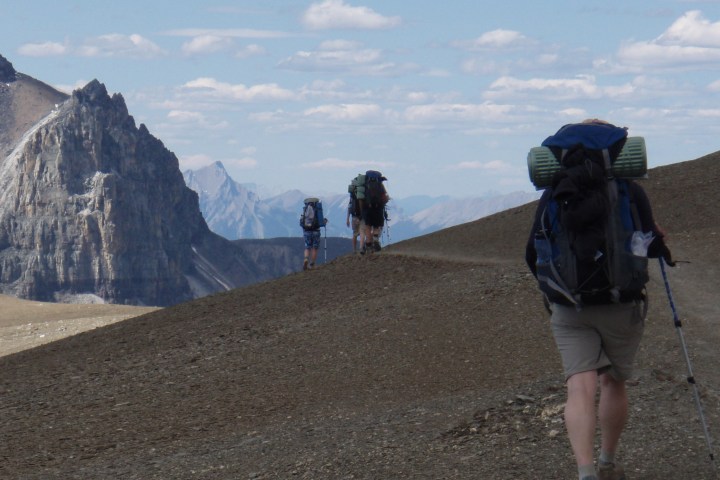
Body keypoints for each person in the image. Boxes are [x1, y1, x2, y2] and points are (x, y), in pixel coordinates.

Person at [525, 120, 675, 480]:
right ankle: (608, 460)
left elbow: (532, 252)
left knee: (580, 385)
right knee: (613, 382)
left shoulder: (554, 193)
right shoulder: (630, 191)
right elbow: (648, 243)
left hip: (569, 307)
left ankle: (585, 471)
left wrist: (555, 292)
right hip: (622, 303)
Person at [360, 172, 389, 254]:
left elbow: (361, 198)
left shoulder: (364, 185)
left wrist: (362, 210)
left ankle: (368, 246)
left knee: (368, 227)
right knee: (377, 226)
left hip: (367, 209)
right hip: (378, 208)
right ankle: (375, 239)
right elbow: (385, 198)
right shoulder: (380, 185)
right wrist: (385, 201)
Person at [300, 198, 327, 270]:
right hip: (316, 231)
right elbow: (321, 222)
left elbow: (301, 222)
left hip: (307, 231)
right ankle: (312, 264)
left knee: (307, 247)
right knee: (315, 248)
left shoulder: (305, 210)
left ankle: (306, 259)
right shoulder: (317, 210)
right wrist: (325, 222)